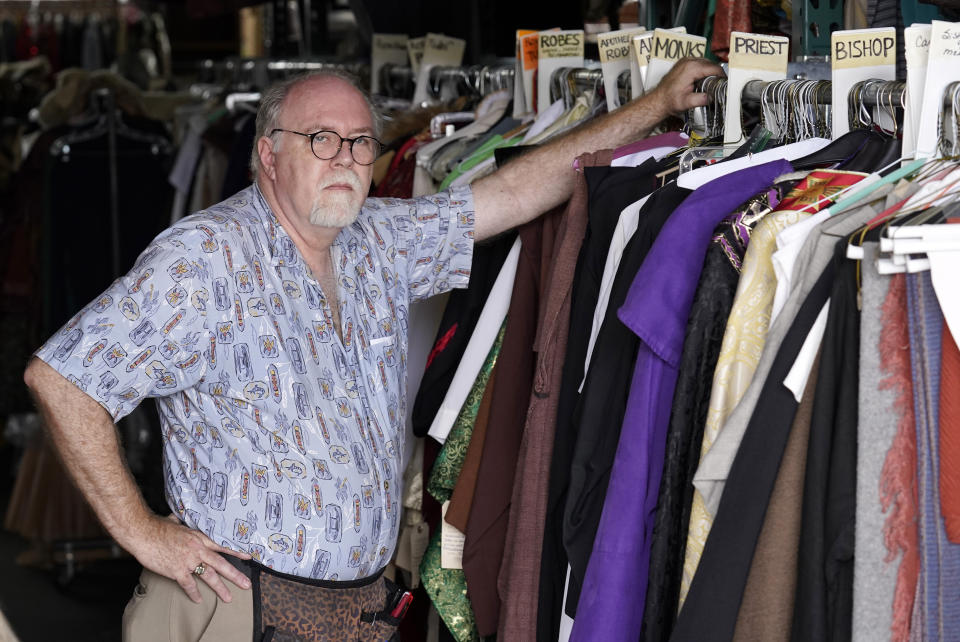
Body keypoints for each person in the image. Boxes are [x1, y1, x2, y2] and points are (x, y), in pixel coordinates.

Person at [23, 56, 722, 641]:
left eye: (360, 142)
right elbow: (61, 379)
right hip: (234, 609)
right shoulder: (202, 260)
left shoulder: (377, 241)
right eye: (320, 139)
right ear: (267, 153)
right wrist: (144, 534)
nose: (347, 159)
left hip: (351, 611)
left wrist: (655, 105)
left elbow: (515, 192)